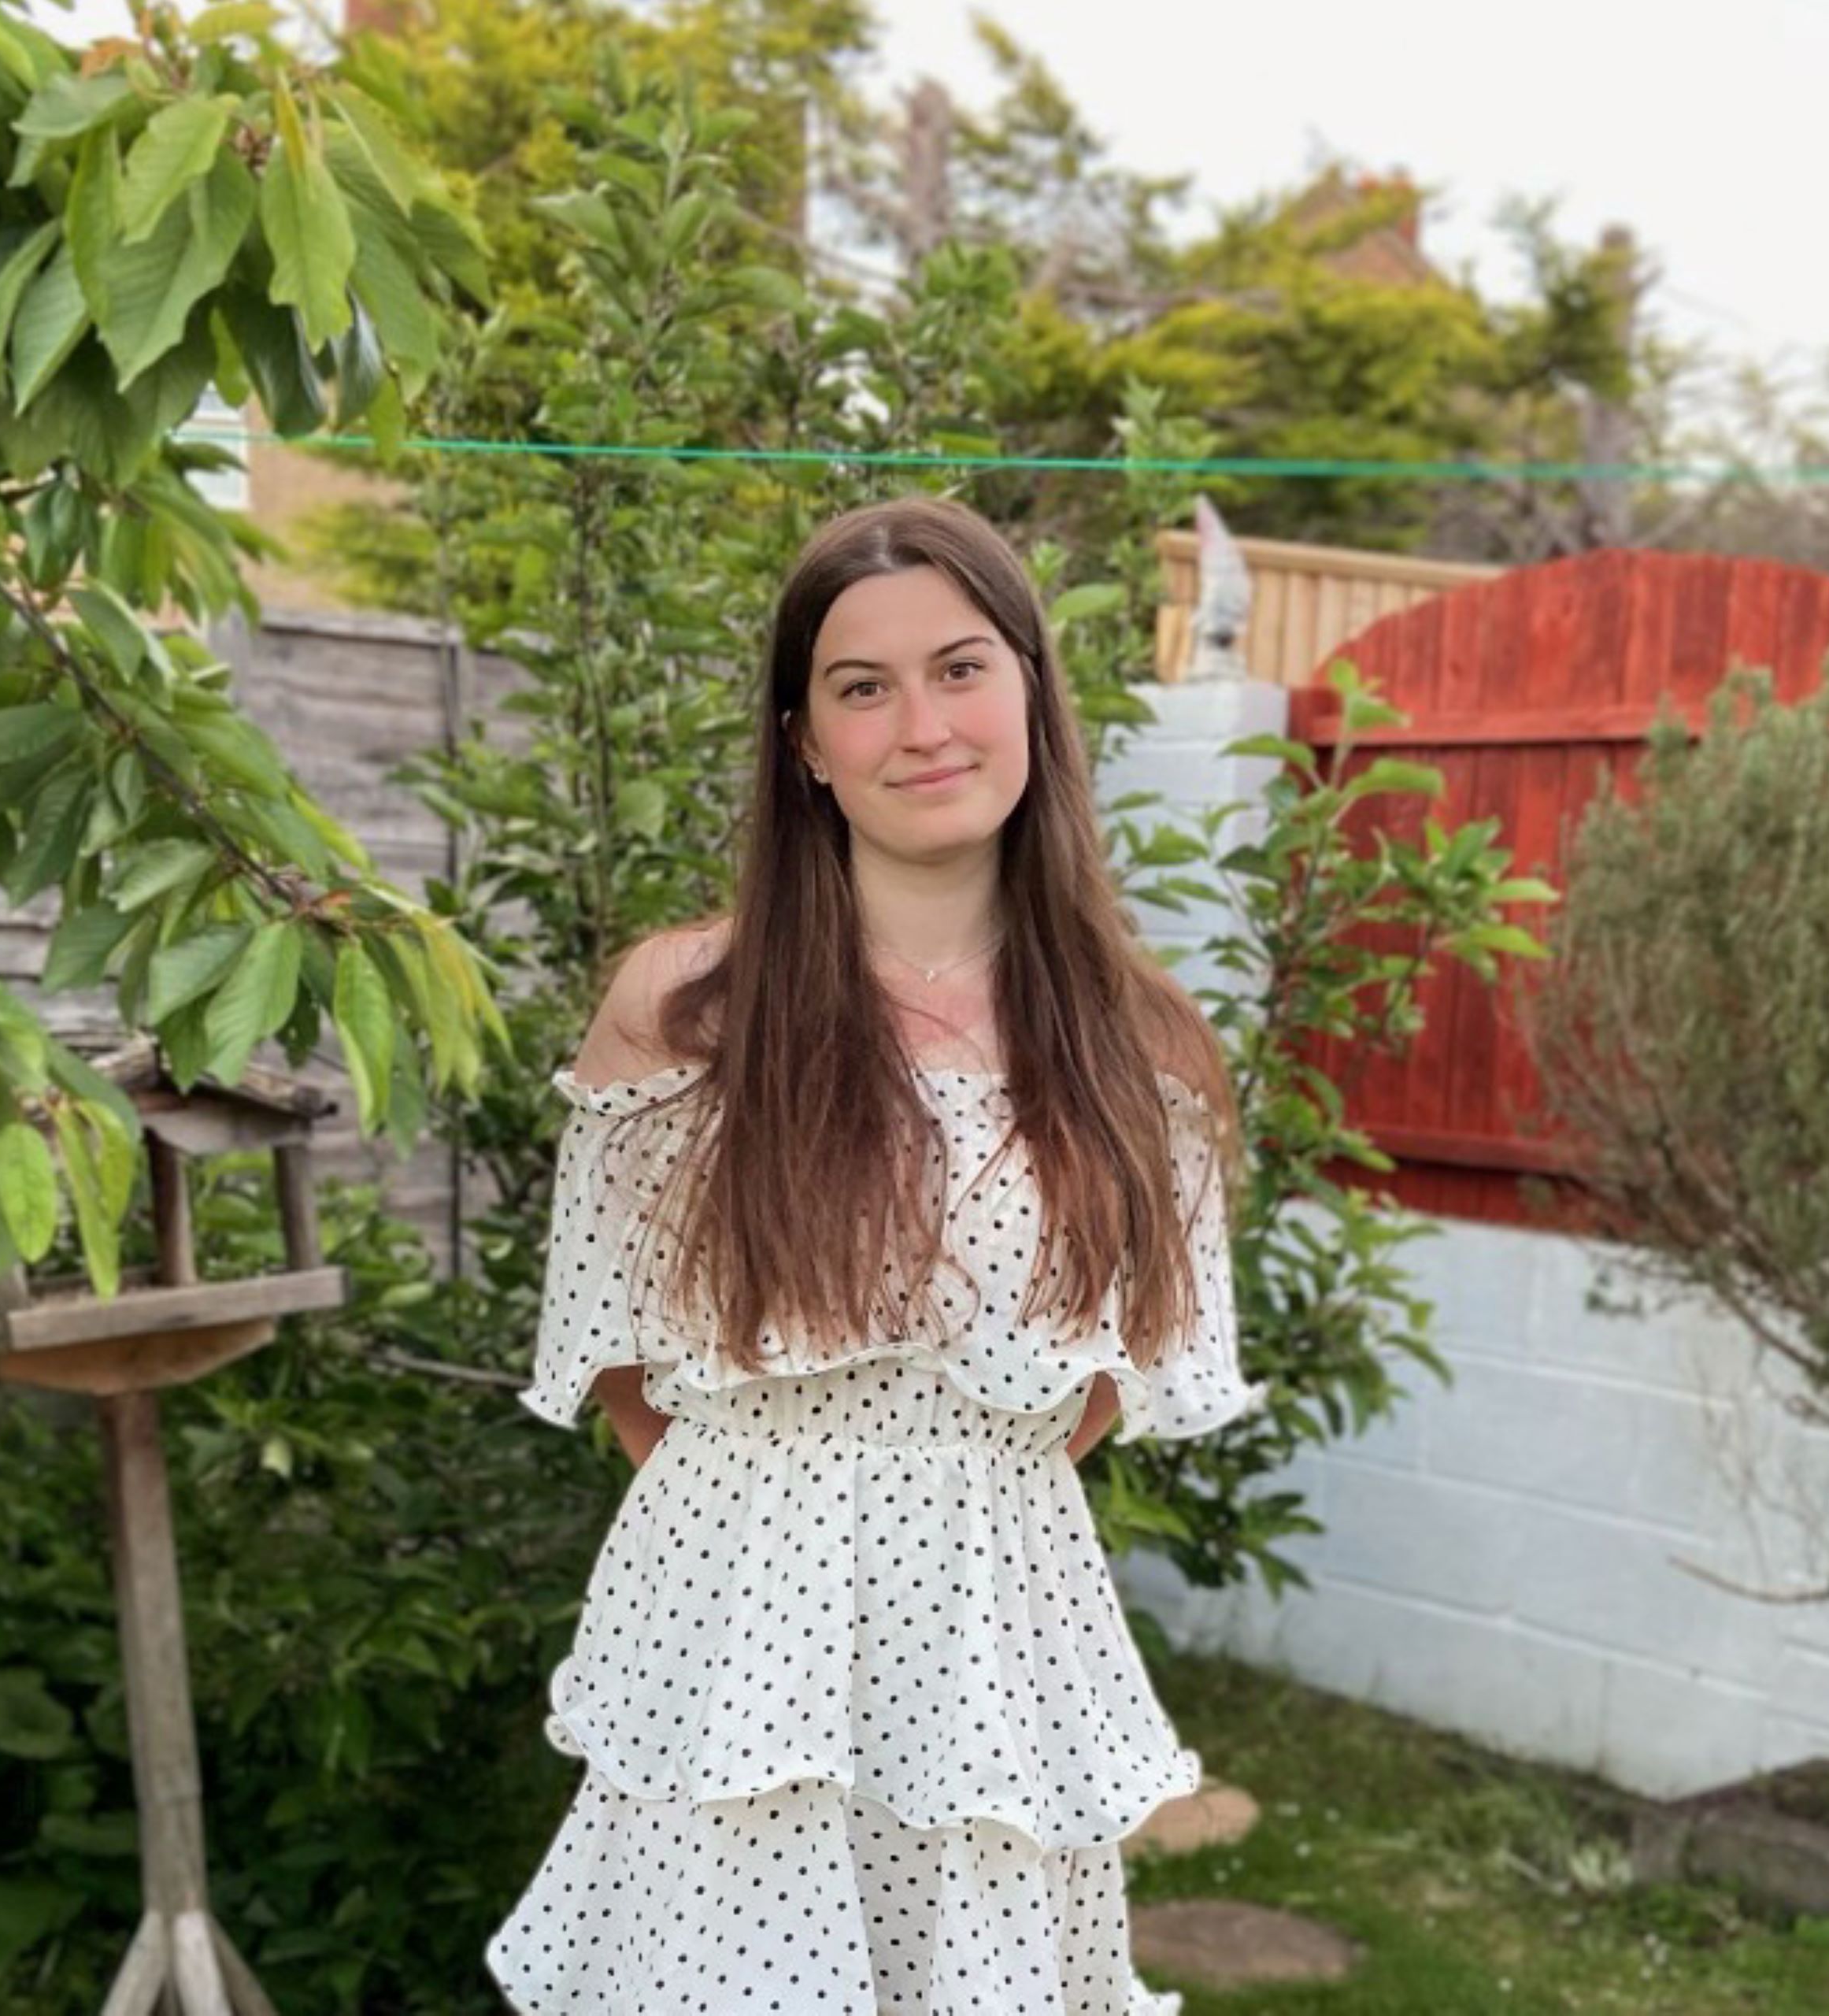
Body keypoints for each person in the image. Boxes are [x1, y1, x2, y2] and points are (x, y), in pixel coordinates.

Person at [486, 495, 1259, 2014]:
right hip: (734, 1623)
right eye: (863, 686)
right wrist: (790, 1525)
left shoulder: (1140, 1041)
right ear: (804, 743)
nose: (923, 724)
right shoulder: (683, 1010)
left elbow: (1108, 1380)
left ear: (1032, 691)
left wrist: (941, 1505)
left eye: (961, 668)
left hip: (996, 1627)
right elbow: (625, 1360)